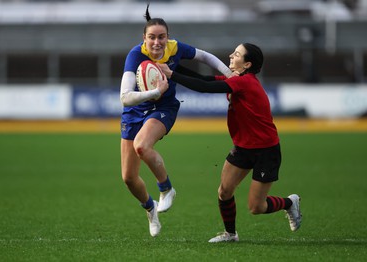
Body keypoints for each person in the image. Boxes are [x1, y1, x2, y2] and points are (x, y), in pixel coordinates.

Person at [158, 43, 302, 242]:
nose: (230, 56)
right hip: (243, 147)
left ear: (247, 64)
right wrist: (171, 65)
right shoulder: (237, 79)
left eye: (236, 54)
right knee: (224, 191)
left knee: (256, 207)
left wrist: (172, 74)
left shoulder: (246, 82)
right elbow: (205, 78)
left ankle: (289, 203)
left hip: (266, 150)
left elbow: (205, 87)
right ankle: (230, 234)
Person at [120, 4, 232, 237]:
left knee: (142, 145)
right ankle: (150, 210)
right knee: (129, 178)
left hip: (164, 108)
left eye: (161, 37)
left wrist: (231, 77)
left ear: (168, 37)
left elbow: (206, 56)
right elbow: (125, 98)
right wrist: (154, 91)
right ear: (144, 38)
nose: (157, 42)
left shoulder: (175, 48)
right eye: (151, 37)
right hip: (135, 110)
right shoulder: (135, 55)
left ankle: (166, 189)